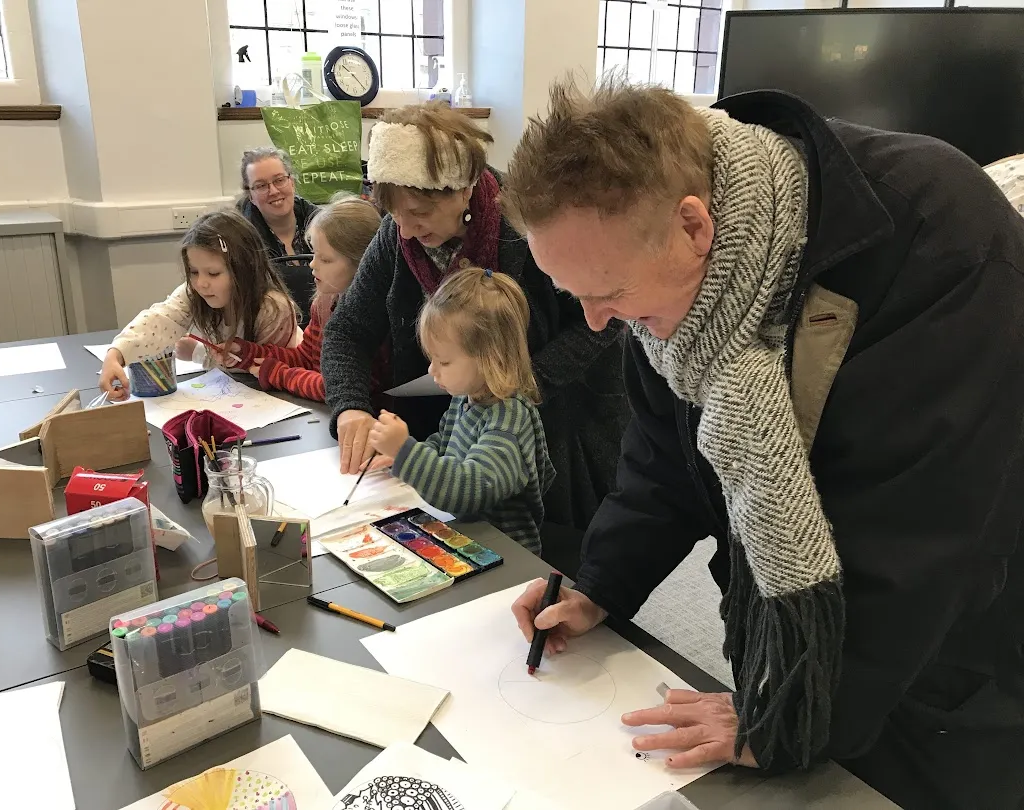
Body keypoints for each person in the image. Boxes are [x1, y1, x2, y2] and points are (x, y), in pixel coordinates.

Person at [505, 79, 1024, 810]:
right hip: (813, 636)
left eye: (607, 293)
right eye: (576, 296)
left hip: (948, 650)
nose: (595, 321)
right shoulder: (675, 286)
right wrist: (599, 584)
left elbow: (923, 538)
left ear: (693, 226)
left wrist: (792, 716)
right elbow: (663, 459)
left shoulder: (942, 237)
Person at [321, 102, 629, 540]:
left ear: (464, 191)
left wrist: (514, 381)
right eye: (395, 214)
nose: (405, 230)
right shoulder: (397, 234)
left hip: (565, 419)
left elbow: (603, 317)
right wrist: (350, 406)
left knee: (563, 550)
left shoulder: (528, 219)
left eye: (419, 213)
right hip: (463, 419)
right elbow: (349, 329)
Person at [368, 266, 555, 554]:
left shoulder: (509, 421)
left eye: (444, 362)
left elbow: (469, 491)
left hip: (504, 556)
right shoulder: (465, 398)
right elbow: (444, 445)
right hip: (463, 538)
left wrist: (407, 453)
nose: (432, 371)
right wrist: (398, 457)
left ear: (490, 358)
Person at [99, 209, 302, 399]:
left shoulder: (273, 308)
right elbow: (161, 319)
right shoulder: (194, 292)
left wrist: (199, 354)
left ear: (245, 270)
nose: (201, 283)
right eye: (194, 272)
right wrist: (116, 354)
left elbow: (268, 371)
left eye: (213, 273)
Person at [227, 193, 387, 403]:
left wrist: (280, 375)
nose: (312, 264)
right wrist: (248, 353)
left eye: (325, 259)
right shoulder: (324, 302)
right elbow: (306, 358)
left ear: (362, 264)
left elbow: (339, 387)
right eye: (314, 254)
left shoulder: (374, 319)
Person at [237, 146, 320, 323]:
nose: (273, 191)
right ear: (250, 195)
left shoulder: (324, 227)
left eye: (279, 180)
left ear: (292, 182)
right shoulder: (240, 242)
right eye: (261, 186)